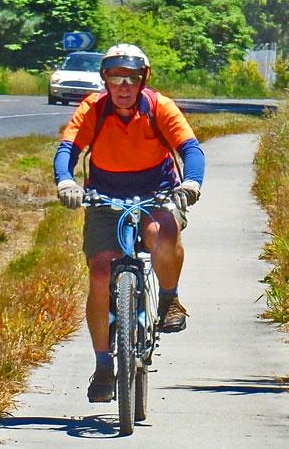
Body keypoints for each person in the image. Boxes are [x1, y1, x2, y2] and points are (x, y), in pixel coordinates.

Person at [51, 43, 205, 403]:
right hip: (105, 196)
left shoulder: (159, 107)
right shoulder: (94, 108)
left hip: (157, 191)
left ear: (142, 80)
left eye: (131, 79)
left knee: (162, 233)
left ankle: (168, 301)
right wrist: (65, 181)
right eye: (115, 78)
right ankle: (104, 364)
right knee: (101, 270)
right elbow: (68, 150)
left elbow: (190, 149)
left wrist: (192, 183)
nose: (123, 86)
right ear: (105, 80)